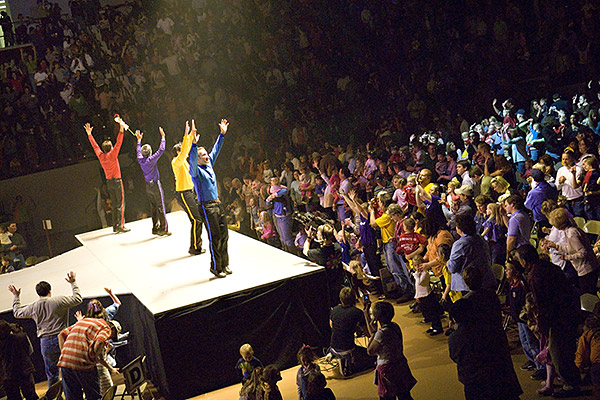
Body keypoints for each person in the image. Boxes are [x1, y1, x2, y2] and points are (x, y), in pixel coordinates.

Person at [514, 244, 581, 398]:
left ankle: (571, 385)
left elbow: (543, 304)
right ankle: (573, 380)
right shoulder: (548, 266)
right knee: (567, 350)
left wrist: (543, 325)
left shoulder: (535, 276)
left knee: (559, 353)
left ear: (524, 260)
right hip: (569, 312)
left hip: (558, 318)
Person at [9, 271, 82, 387]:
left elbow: (17, 312)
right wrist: (73, 283)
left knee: (51, 373)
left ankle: (55, 397)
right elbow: (77, 298)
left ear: (38, 293)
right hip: (63, 338)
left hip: (46, 342)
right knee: (69, 368)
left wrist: (16, 296)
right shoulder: (59, 301)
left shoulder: (34, 307)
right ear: (50, 290)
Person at [189, 119, 231, 278]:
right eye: (202, 155)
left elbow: (216, 149)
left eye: (205, 154)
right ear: (197, 159)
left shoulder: (209, 164)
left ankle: (225, 264)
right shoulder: (196, 172)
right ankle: (216, 267)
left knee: (224, 236)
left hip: (218, 204)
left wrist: (222, 134)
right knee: (215, 238)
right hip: (207, 207)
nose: (206, 156)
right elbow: (191, 161)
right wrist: (193, 145)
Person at [58, 316, 121, 400]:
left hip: (65, 363)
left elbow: (61, 334)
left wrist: (66, 353)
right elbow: (99, 342)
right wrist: (93, 357)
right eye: (112, 336)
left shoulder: (84, 321)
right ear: (112, 328)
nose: (110, 338)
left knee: (73, 397)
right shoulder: (106, 328)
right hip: (83, 364)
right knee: (93, 396)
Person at [84, 121, 130, 233]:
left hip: (109, 183)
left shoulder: (101, 156)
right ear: (111, 147)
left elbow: (95, 147)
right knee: (120, 204)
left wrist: (89, 134)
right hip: (117, 182)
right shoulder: (113, 155)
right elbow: (119, 141)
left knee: (114, 205)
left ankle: (115, 226)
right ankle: (121, 226)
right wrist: (121, 127)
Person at [367, 301, 416, 400]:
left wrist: (373, 332)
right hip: (400, 364)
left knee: (387, 396)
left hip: (387, 368)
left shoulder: (381, 333)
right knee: (404, 395)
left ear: (377, 318)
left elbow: (370, 351)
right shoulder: (395, 326)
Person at [171, 120, 205, 255]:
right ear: (178, 151)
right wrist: (186, 135)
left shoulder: (183, 162)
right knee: (196, 219)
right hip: (184, 193)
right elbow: (185, 150)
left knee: (195, 219)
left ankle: (195, 246)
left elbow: (188, 149)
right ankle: (195, 247)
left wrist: (192, 136)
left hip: (188, 193)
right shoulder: (176, 162)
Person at [447, 213, 496, 293]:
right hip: (486, 281)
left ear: (460, 228)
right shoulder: (480, 239)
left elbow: (453, 268)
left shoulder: (460, 244)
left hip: (468, 286)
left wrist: (447, 263)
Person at [136, 126, 170, 236]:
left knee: (153, 207)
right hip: (155, 185)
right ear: (150, 152)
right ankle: (163, 229)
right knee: (161, 206)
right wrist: (163, 137)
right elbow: (161, 150)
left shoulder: (140, 160)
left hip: (148, 186)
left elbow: (138, 151)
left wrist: (139, 141)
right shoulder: (151, 160)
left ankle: (155, 228)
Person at [303, 223, 343, 307]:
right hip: (338, 280)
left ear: (322, 237)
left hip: (327, 283)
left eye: (318, 233)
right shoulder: (337, 247)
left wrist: (309, 237)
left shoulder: (320, 253)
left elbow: (305, 251)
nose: (317, 234)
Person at [0, 321, 38, 400]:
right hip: (25, 370)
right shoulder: (22, 337)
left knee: (14, 397)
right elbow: (30, 351)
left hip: (8, 374)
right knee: (31, 395)